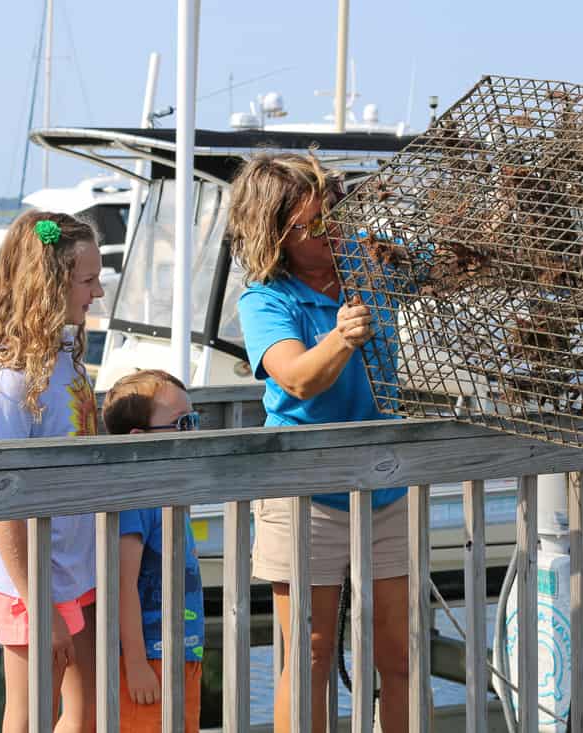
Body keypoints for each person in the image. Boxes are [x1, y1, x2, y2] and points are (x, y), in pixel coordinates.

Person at [229, 152, 410, 732]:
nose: (329, 230)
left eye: (332, 213)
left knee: (399, 653)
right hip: (303, 493)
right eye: (311, 225)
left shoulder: (371, 261)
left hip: (384, 483)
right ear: (274, 234)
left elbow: (457, 261)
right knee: (310, 653)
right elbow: (299, 377)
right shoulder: (265, 299)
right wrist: (342, 336)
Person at [0, 211, 104, 733]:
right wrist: (36, 600)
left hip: (74, 564)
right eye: (87, 281)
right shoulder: (9, 383)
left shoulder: (67, 356)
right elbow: (2, 504)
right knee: (32, 712)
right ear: (49, 285)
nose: (98, 292)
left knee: (84, 709)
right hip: (29, 575)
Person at [101, 369, 205, 733]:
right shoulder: (136, 501)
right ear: (139, 438)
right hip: (150, 658)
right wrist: (136, 663)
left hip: (182, 654)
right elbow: (122, 584)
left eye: (195, 421)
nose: (193, 432)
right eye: (181, 424)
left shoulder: (169, 493)